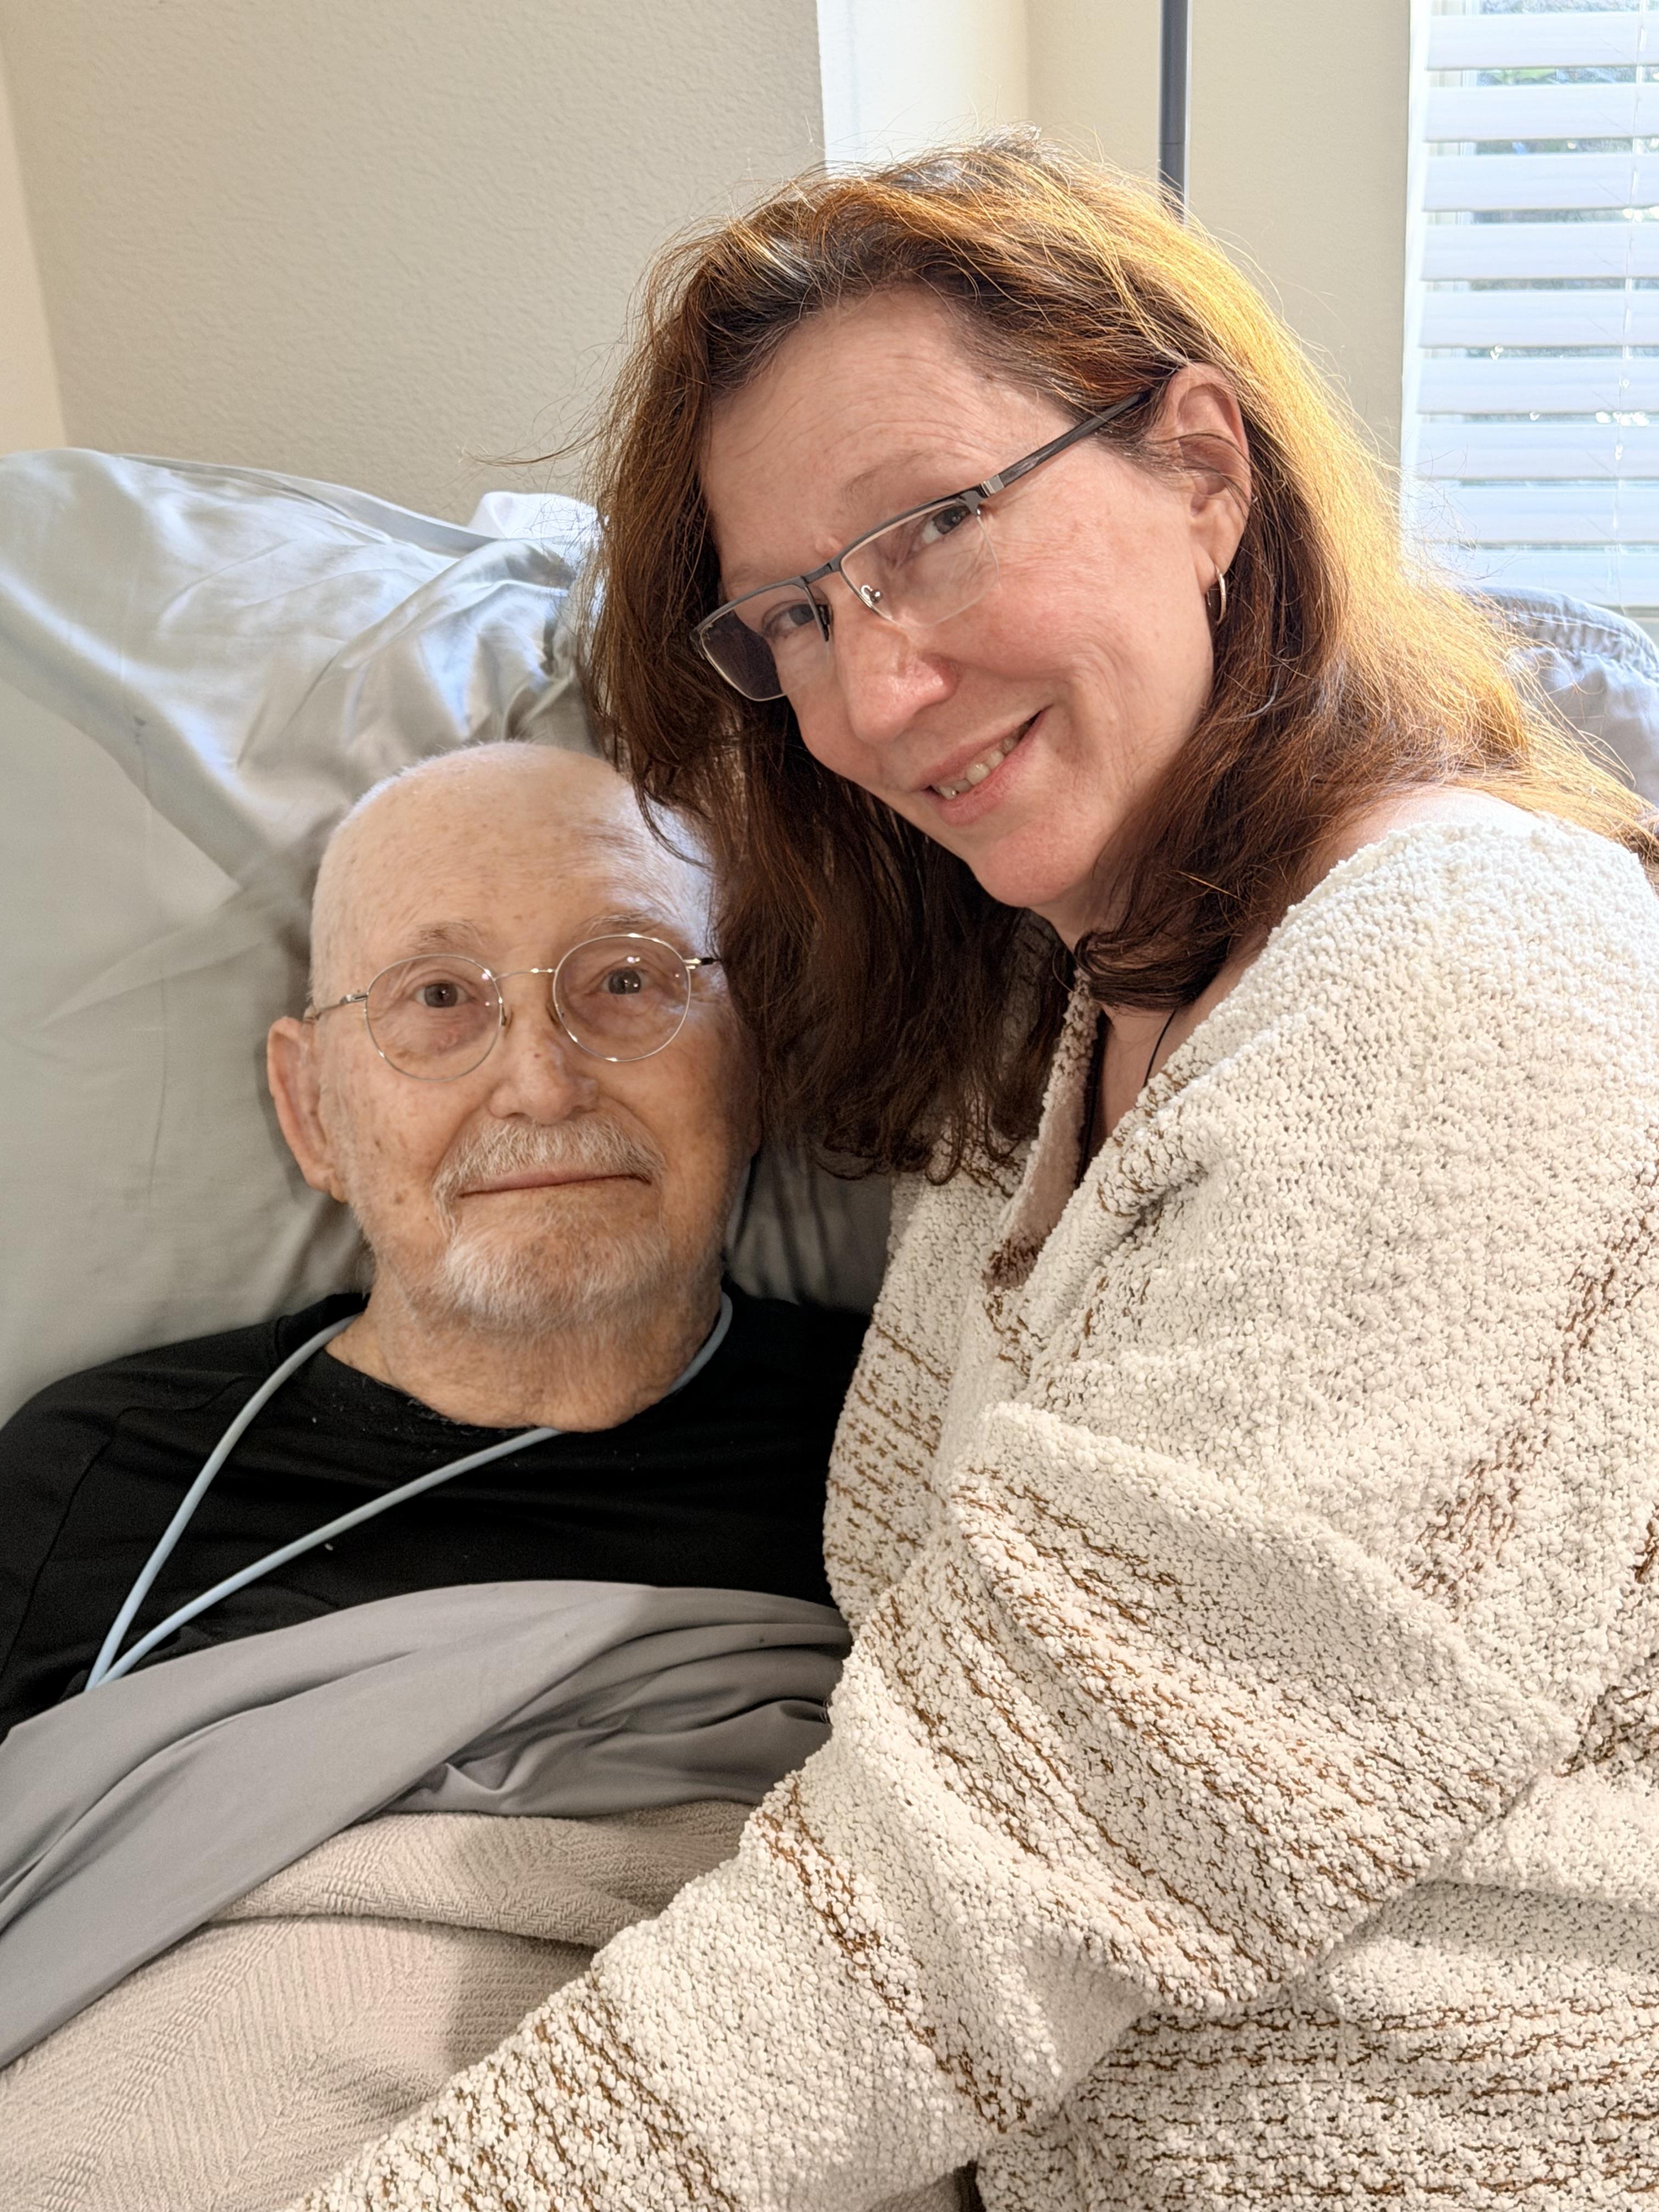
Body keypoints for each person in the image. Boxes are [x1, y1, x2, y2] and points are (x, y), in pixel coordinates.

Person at [297, 138, 1659, 2212]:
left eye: (928, 531)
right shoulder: (1065, 1018)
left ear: (1202, 466)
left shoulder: (1462, 983)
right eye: (794, 618)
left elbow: (989, 1890)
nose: (873, 691)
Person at [0, 742, 864, 1740]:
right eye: (440, 997)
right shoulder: (88, 1490)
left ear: (750, 1069)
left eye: (627, 979)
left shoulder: (911, 1438)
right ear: (312, 1109)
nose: (542, 1087)